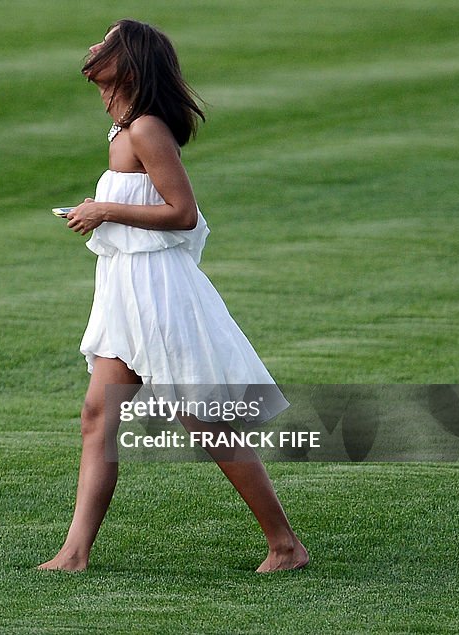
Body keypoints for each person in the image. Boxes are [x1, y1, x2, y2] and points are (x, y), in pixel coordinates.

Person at [38, 19, 309, 573]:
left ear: (128, 64)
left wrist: (103, 209)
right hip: (125, 293)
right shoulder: (122, 130)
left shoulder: (145, 131)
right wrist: (101, 209)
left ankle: (285, 546)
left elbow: (182, 214)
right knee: (97, 415)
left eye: (107, 43)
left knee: (204, 422)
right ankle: (74, 553)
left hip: (157, 294)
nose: (94, 47)